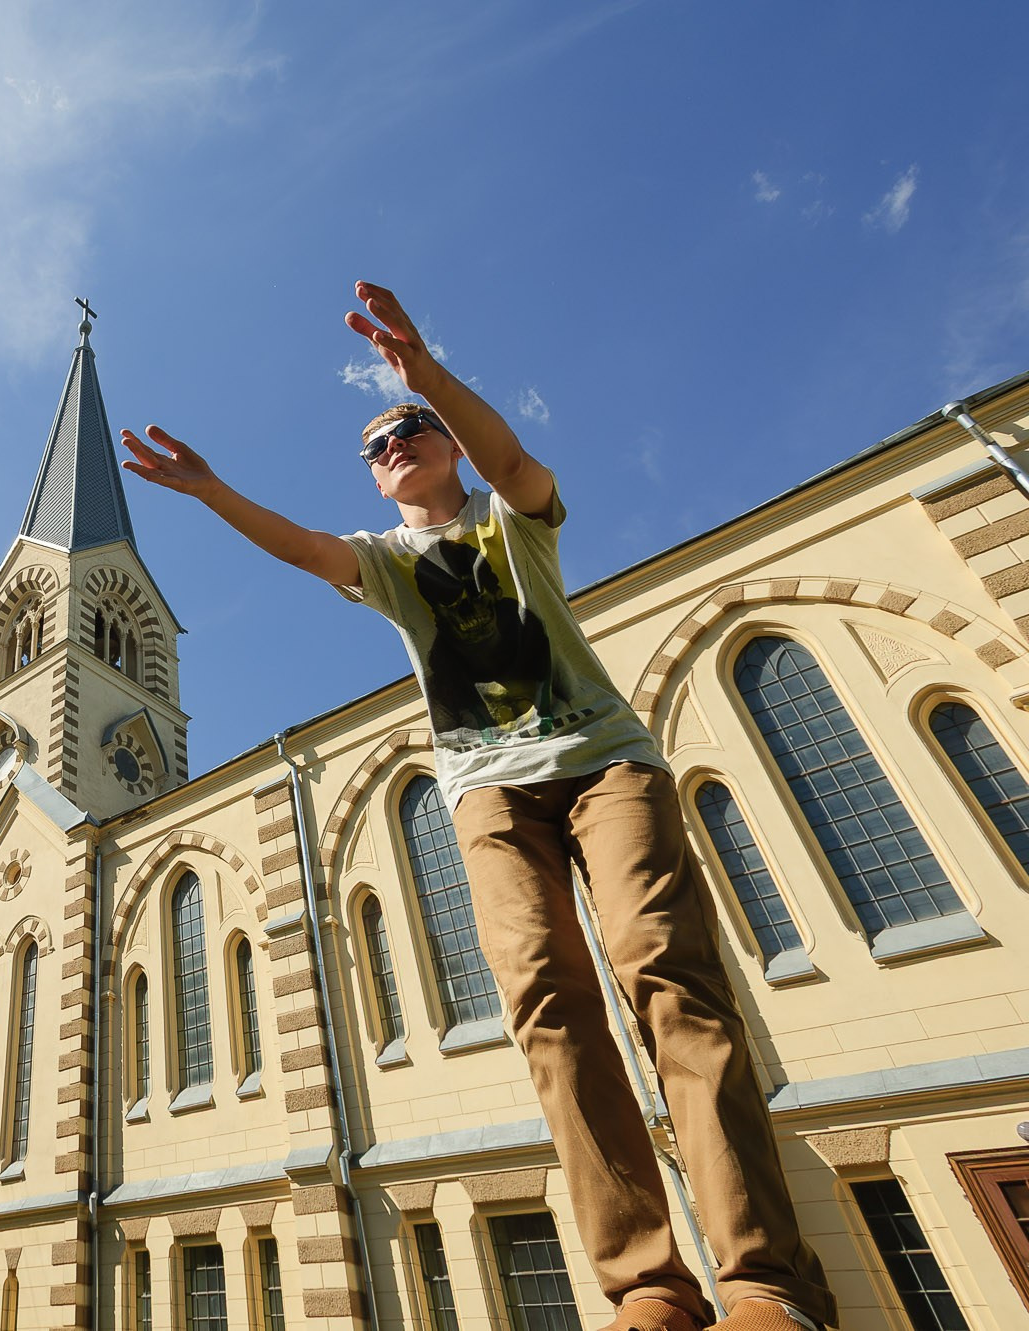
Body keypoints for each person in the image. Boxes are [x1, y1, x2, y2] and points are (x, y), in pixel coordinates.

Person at [119, 282, 835, 1331]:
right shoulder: (385, 564)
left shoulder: (513, 517)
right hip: (486, 790)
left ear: (442, 444)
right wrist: (212, 490)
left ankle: (764, 1281)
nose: (392, 442)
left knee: (661, 967)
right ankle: (648, 1287)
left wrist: (428, 381)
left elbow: (509, 461)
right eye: (374, 443)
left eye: (407, 430)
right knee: (548, 1002)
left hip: (602, 762)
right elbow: (304, 546)